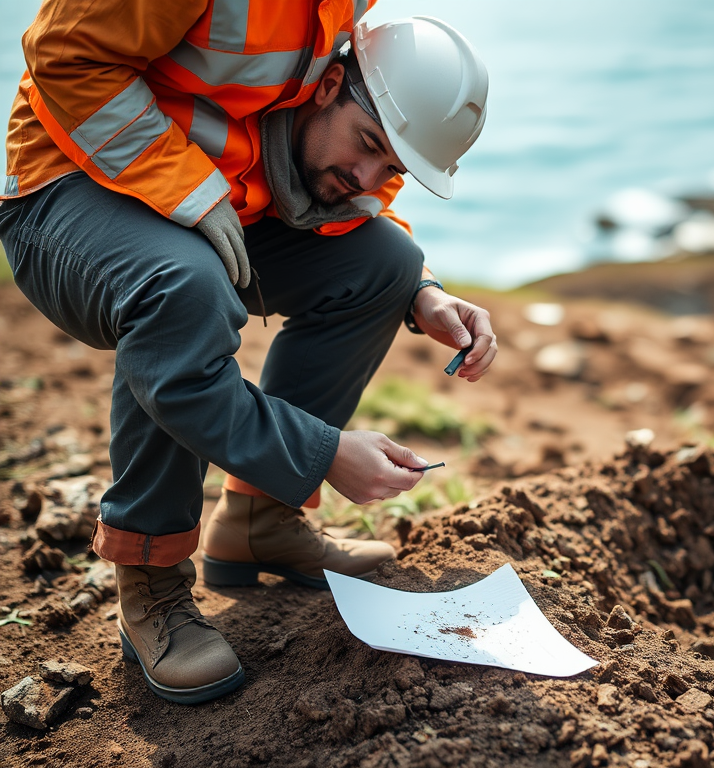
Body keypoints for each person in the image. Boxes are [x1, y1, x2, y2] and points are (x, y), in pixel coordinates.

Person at [0, 0, 496, 705]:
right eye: (365, 142)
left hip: (215, 199)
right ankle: (152, 586)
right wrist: (320, 453)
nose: (364, 174)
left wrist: (420, 289)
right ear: (332, 95)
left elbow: (308, 140)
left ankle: (261, 524)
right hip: (70, 189)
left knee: (386, 261)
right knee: (182, 289)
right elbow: (65, 56)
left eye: (388, 163)